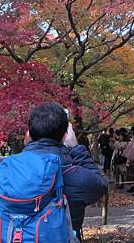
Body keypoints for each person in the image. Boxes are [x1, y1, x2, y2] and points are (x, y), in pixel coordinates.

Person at [23, 103, 108, 242]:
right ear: (65, 134)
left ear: (30, 133)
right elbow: (101, 185)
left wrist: (28, 146)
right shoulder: (74, 174)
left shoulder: (10, 169)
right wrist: (75, 148)